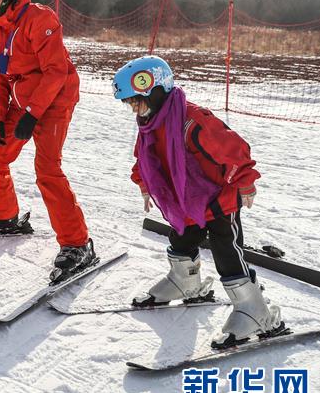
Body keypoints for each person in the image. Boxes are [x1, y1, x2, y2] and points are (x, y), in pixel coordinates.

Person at [112, 55, 282, 348]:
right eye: (129, 104)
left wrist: (246, 180)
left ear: (155, 91)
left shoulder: (192, 120)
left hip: (217, 199)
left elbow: (233, 148)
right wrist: (143, 183)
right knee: (180, 238)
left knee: (226, 251)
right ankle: (185, 282)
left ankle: (256, 311)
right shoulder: (150, 124)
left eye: (136, 102)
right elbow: (146, 158)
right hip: (185, 202)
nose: (134, 110)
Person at [0, 0, 92, 282]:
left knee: (47, 170)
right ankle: (5, 216)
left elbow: (56, 71)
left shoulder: (39, 18)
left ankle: (78, 244)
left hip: (54, 101)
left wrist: (33, 114)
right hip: (24, 103)